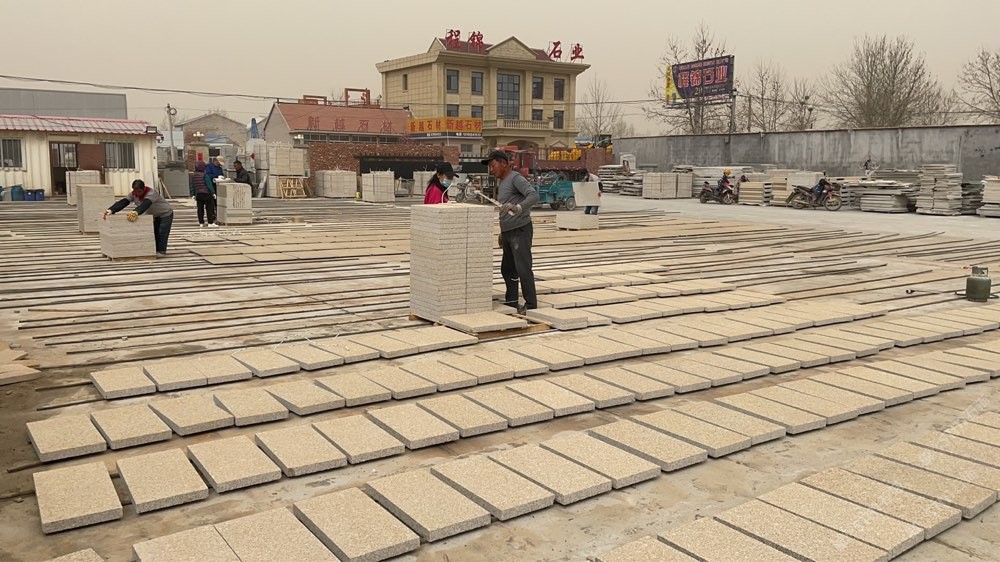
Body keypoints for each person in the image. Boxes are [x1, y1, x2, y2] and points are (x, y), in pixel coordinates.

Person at [482, 149, 539, 314]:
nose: (491, 169)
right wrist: (503, 232)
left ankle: (531, 303)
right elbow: (504, 209)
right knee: (507, 269)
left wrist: (518, 207)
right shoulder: (502, 182)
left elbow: (534, 196)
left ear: (504, 164)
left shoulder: (515, 178)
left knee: (523, 268)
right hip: (508, 232)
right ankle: (512, 300)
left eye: (493, 165)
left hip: (520, 230)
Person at [103, 179, 174, 256]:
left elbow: (145, 204)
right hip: (154, 215)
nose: (138, 194)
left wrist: (136, 212)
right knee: (155, 232)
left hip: (165, 213)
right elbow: (124, 201)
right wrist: (111, 210)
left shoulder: (151, 193)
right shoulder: (133, 194)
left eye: (139, 191)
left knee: (162, 232)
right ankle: (155, 250)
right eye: (136, 191)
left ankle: (161, 251)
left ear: (144, 189)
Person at [189, 160, 217, 227]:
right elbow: (209, 185)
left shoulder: (193, 176)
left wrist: (193, 194)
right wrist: (213, 192)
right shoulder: (204, 175)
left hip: (198, 194)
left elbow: (192, 186)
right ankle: (210, 222)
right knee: (209, 208)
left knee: (200, 209)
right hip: (206, 193)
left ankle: (201, 222)